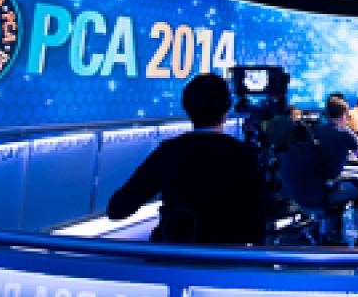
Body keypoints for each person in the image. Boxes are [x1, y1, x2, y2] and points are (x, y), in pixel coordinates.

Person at [107, 74, 264, 244]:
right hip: (224, 256)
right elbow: (256, 229)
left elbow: (117, 209)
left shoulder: (168, 152)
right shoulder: (243, 155)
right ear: (226, 109)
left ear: (187, 108)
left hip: (174, 255)